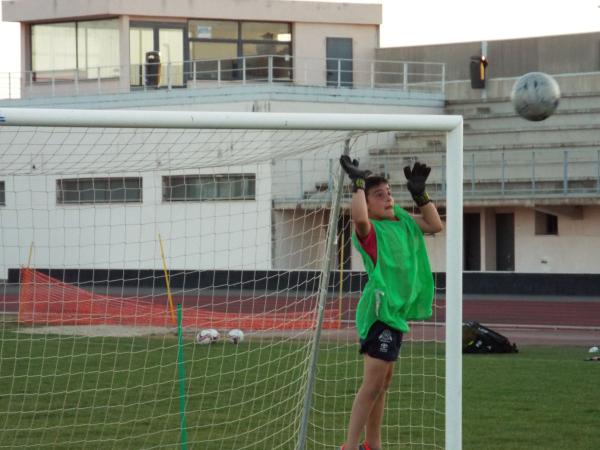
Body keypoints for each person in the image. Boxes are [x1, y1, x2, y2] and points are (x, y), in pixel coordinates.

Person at [339, 156, 443, 450]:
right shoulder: (371, 231)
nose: (387, 199)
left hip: (395, 314)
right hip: (380, 313)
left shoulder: (404, 222)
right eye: (379, 195)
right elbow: (358, 218)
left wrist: (420, 195)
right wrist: (358, 185)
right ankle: (349, 445)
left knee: (383, 385)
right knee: (372, 385)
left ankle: (373, 444)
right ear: (368, 203)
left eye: (389, 193)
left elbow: (435, 224)